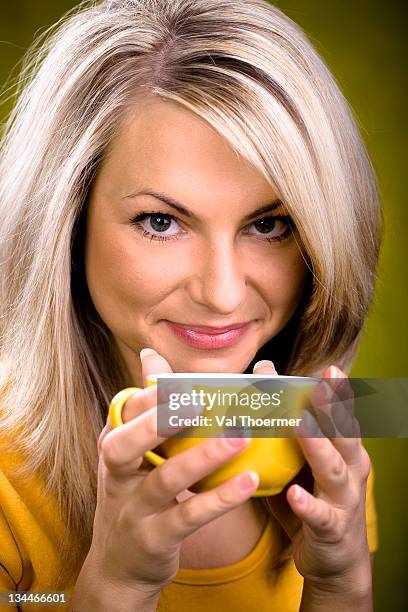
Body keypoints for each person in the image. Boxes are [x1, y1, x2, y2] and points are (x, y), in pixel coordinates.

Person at [0, 0, 381, 610]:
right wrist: (115, 587)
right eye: (160, 221)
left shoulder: (315, 445)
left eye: (270, 225)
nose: (223, 293)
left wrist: (340, 584)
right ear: (64, 225)